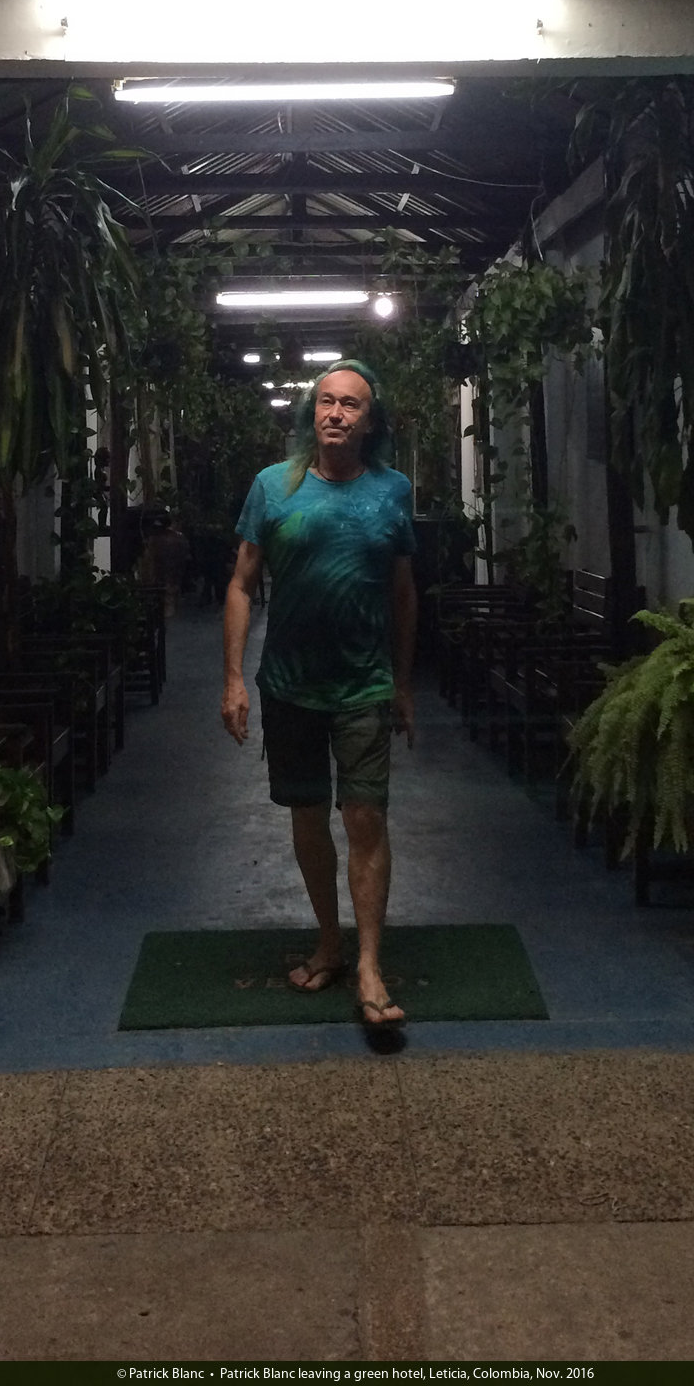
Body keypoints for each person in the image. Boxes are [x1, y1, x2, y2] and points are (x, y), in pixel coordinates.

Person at [222, 361, 417, 1030]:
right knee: (307, 817)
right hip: (289, 686)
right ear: (313, 413)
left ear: (370, 420)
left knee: (366, 819)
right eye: (327, 402)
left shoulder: (392, 492)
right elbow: (241, 584)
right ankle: (329, 943)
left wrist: (404, 682)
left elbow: (403, 594)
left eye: (350, 405)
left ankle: (369, 965)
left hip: (364, 684)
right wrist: (233, 678)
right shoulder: (273, 486)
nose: (336, 413)